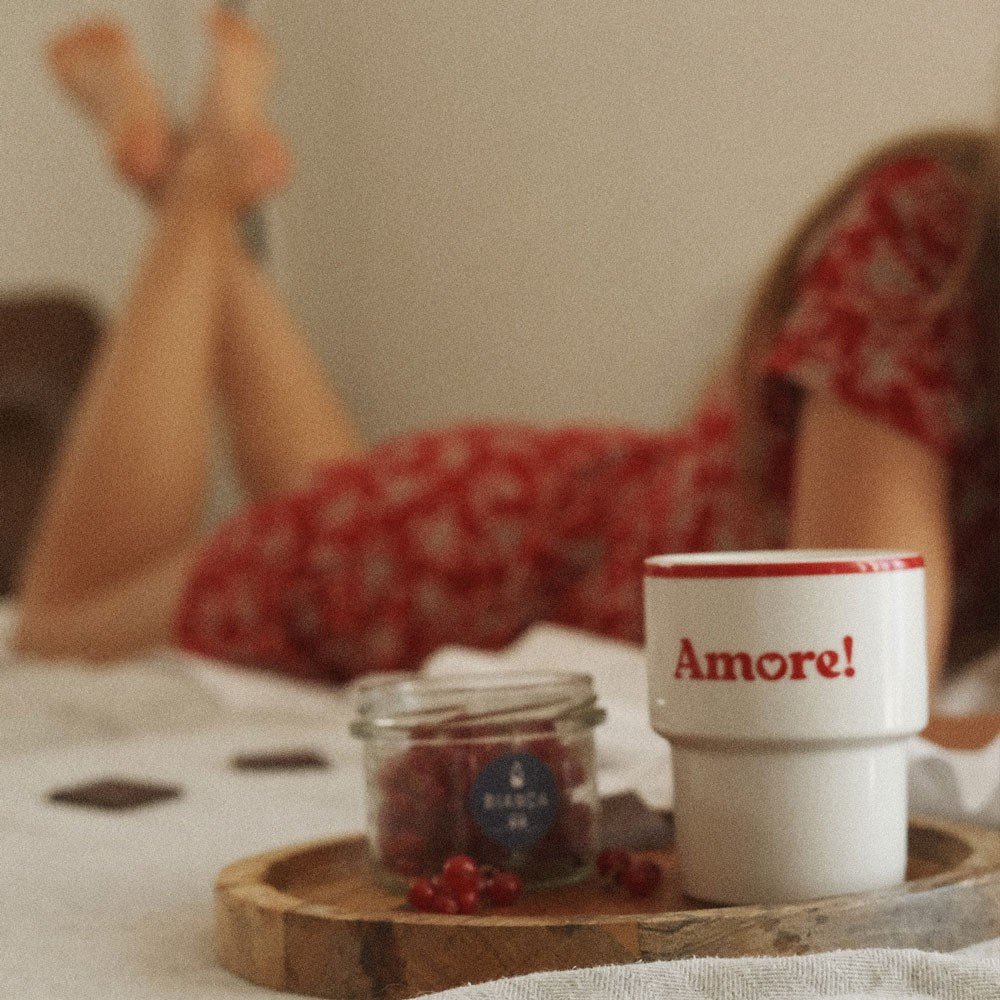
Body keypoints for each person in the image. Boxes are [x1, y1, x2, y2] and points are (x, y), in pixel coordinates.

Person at [14, 12, 999, 749]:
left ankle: (195, 172)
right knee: (55, 627)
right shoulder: (937, 229)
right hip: (496, 559)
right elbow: (856, 699)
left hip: (504, 524)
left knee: (327, 498)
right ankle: (196, 190)